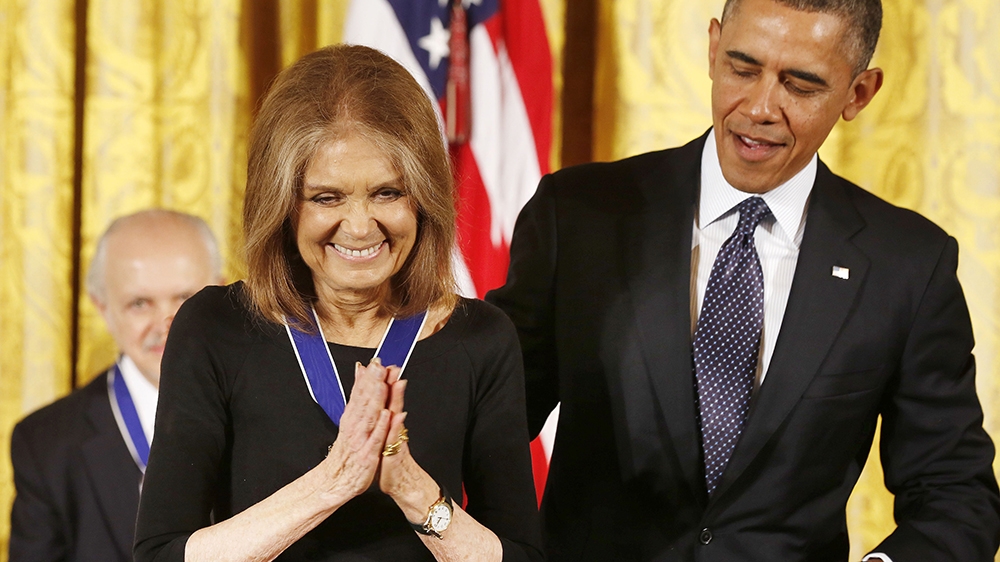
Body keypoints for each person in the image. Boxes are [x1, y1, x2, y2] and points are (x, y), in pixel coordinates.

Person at [487, 0, 1000, 560]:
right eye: (743, 68)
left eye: (800, 86)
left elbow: (955, 494)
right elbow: (487, 418)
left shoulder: (908, 265)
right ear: (712, 48)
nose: (759, 107)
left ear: (859, 94)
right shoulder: (578, 215)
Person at [133, 44, 542, 562]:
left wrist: (413, 489)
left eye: (387, 193)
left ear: (423, 198)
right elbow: (161, 554)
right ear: (283, 206)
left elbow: (523, 557)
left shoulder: (480, 338)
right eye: (327, 197)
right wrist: (333, 481)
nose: (359, 226)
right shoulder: (216, 327)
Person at [9, 209, 222, 562]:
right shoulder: (45, 442)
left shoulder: (273, 410)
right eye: (140, 304)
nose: (166, 324)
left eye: (185, 299)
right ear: (103, 308)